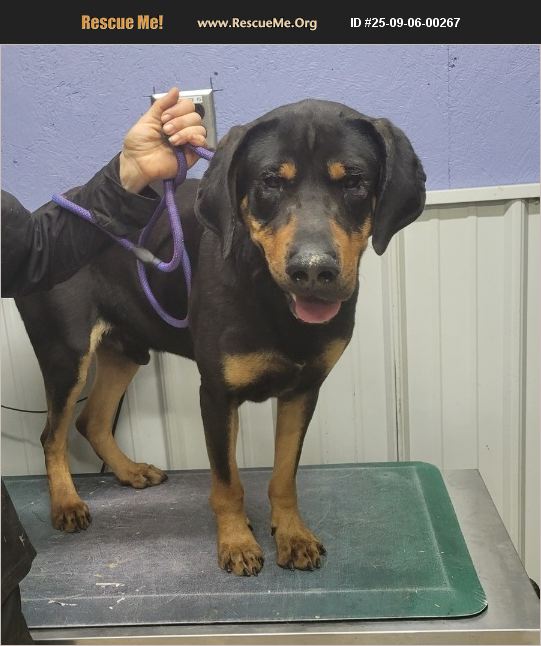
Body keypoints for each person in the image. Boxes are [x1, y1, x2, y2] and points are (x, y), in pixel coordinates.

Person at [1, 86, 206, 644]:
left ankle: (100, 437)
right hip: (77, 286)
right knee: (69, 368)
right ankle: (57, 463)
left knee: (123, 355)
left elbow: (32, 249)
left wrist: (130, 172)